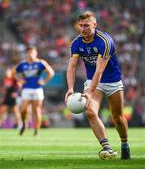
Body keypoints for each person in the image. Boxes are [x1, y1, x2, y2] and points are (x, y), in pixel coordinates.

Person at [65, 11, 130, 160]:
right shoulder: (76, 43)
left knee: (118, 118)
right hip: (93, 81)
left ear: (95, 25)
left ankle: (125, 143)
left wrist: (89, 92)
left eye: (86, 25)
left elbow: (99, 70)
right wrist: (70, 88)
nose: (83, 29)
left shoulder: (105, 41)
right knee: (89, 111)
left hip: (113, 81)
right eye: (81, 26)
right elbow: (72, 67)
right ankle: (107, 147)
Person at [13, 46, 55, 135]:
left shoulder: (40, 63)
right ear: (26, 53)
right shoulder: (22, 64)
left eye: (32, 52)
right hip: (26, 88)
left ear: (36, 53)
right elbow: (13, 73)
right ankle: (24, 124)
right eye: (29, 52)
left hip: (37, 89)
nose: (31, 54)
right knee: (23, 109)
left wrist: (44, 81)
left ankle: (36, 130)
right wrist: (19, 80)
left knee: (36, 110)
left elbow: (51, 72)